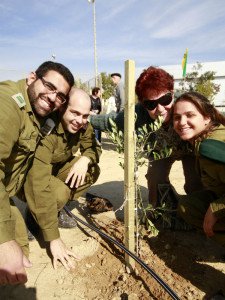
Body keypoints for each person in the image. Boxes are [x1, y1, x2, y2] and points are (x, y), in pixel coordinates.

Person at [0, 61, 74, 285]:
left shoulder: (38, 114)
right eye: (50, 86)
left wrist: (52, 237)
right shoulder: (8, 105)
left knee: (20, 257)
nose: (53, 97)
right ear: (32, 78)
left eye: (60, 95)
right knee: (12, 255)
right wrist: (3, 241)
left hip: (10, 186)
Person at [90, 66, 203, 207]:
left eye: (165, 99)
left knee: (196, 183)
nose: (160, 109)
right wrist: (85, 119)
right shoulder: (138, 113)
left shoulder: (187, 103)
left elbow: (213, 121)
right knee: (155, 178)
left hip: (190, 150)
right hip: (160, 152)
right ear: (144, 104)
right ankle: (164, 210)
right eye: (151, 104)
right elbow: (111, 121)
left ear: (172, 94)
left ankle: (198, 212)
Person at [24, 87, 101, 271]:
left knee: (91, 170)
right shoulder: (48, 129)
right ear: (62, 108)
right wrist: (53, 239)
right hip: (33, 176)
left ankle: (56, 210)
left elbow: (94, 148)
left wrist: (85, 159)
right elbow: (38, 180)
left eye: (84, 115)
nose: (79, 120)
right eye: (74, 113)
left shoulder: (83, 125)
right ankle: (32, 218)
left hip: (54, 171)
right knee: (59, 192)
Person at [173, 91, 225, 248]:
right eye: (177, 117)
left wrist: (216, 209)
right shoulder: (206, 136)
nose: (182, 122)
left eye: (190, 115)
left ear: (207, 117)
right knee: (188, 206)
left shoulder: (211, 147)